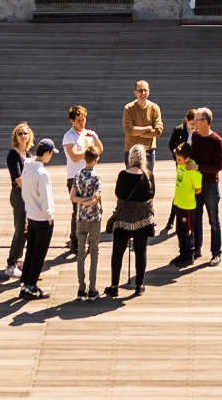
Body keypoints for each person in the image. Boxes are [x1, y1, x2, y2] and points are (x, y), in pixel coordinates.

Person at [106, 145, 157, 298]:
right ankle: (139, 285)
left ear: (130, 159)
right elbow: (151, 194)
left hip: (123, 220)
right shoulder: (149, 177)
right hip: (142, 220)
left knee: (117, 253)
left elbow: (118, 193)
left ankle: (114, 286)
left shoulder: (122, 175)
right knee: (141, 252)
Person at [19, 139, 58, 300]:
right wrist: (50, 217)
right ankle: (31, 286)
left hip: (31, 215)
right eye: (51, 154)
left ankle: (26, 283)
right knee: (39, 254)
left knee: (30, 251)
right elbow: (46, 199)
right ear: (47, 153)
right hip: (42, 219)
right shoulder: (42, 174)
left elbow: (24, 193)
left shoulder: (27, 168)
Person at [62, 105, 101, 255]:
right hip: (75, 177)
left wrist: (95, 140)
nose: (82, 123)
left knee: (92, 207)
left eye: (84, 119)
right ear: (72, 121)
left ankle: (91, 240)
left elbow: (100, 150)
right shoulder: (69, 136)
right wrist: (90, 152)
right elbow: (74, 155)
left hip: (91, 175)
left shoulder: (89, 134)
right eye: (79, 120)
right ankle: (75, 241)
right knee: (77, 209)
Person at [188, 107, 222, 266]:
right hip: (196, 185)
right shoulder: (195, 136)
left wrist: (198, 167)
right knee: (196, 219)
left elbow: (219, 166)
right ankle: (196, 248)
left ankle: (216, 252)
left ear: (204, 122)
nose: (193, 122)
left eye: (196, 120)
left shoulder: (216, 141)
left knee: (213, 221)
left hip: (210, 185)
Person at [69, 148, 104, 301]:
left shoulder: (77, 176)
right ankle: (92, 288)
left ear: (85, 158)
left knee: (81, 253)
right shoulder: (96, 177)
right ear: (95, 160)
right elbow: (95, 198)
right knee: (94, 252)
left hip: (80, 218)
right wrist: (89, 201)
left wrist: (81, 202)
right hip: (94, 218)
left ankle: (80, 288)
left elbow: (72, 197)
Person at [5, 123, 33, 279]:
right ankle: (11, 263)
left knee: (28, 229)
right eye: (20, 133)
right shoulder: (13, 154)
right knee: (21, 229)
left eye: (26, 133)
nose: (23, 136)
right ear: (16, 136)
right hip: (19, 194)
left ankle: (18, 259)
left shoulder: (27, 155)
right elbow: (18, 178)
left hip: (27, 195)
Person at [168, 143, 202, 268]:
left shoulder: (192, 171)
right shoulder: (180, 165)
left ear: (187, 159)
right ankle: (182, 253)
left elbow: (198, 189)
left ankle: (189, 255)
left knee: (188, 231)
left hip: (187, 206)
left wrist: (187, 194)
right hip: (178, 203)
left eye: (179, 159)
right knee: (179, 231)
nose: (177, 161)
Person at [163, 109, 196, 234]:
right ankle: (171, 219)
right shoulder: (179, 130)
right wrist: (178, 158)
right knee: (180, 190)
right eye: (192, 123)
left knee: (193, 190)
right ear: (186, 120)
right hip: (181, 165)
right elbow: (171, 144)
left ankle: (191, 219)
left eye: (195, 124)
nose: (194, 126)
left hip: (194, 165)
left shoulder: (197, 132)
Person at [122, 80, 164, 171]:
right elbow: (128, 129)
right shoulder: (129, 108)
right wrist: (148, 128)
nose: (143, 93)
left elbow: (158, 130)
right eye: (140, 90)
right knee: (131, 178)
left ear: (149, 91)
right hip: (131, 150)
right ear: (135, 92)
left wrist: (140, 134)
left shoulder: (154, 108)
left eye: (145, 90)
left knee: (147, 180)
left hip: (149, 151)